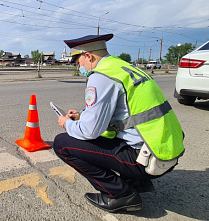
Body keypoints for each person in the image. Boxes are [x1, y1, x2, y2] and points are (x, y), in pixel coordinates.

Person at [53, 34, 184, 213]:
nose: (79, 67)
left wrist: (67, 123)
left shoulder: (101, 76)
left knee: (62, 143)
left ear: (89, 56)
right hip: (166, 150)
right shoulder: (123, 67)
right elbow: (124, 112)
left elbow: (90, 131)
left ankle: (120, 194)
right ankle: (137, 182)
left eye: (78, 62)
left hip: (145, 159)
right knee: (112, 134)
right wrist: (81, 115)